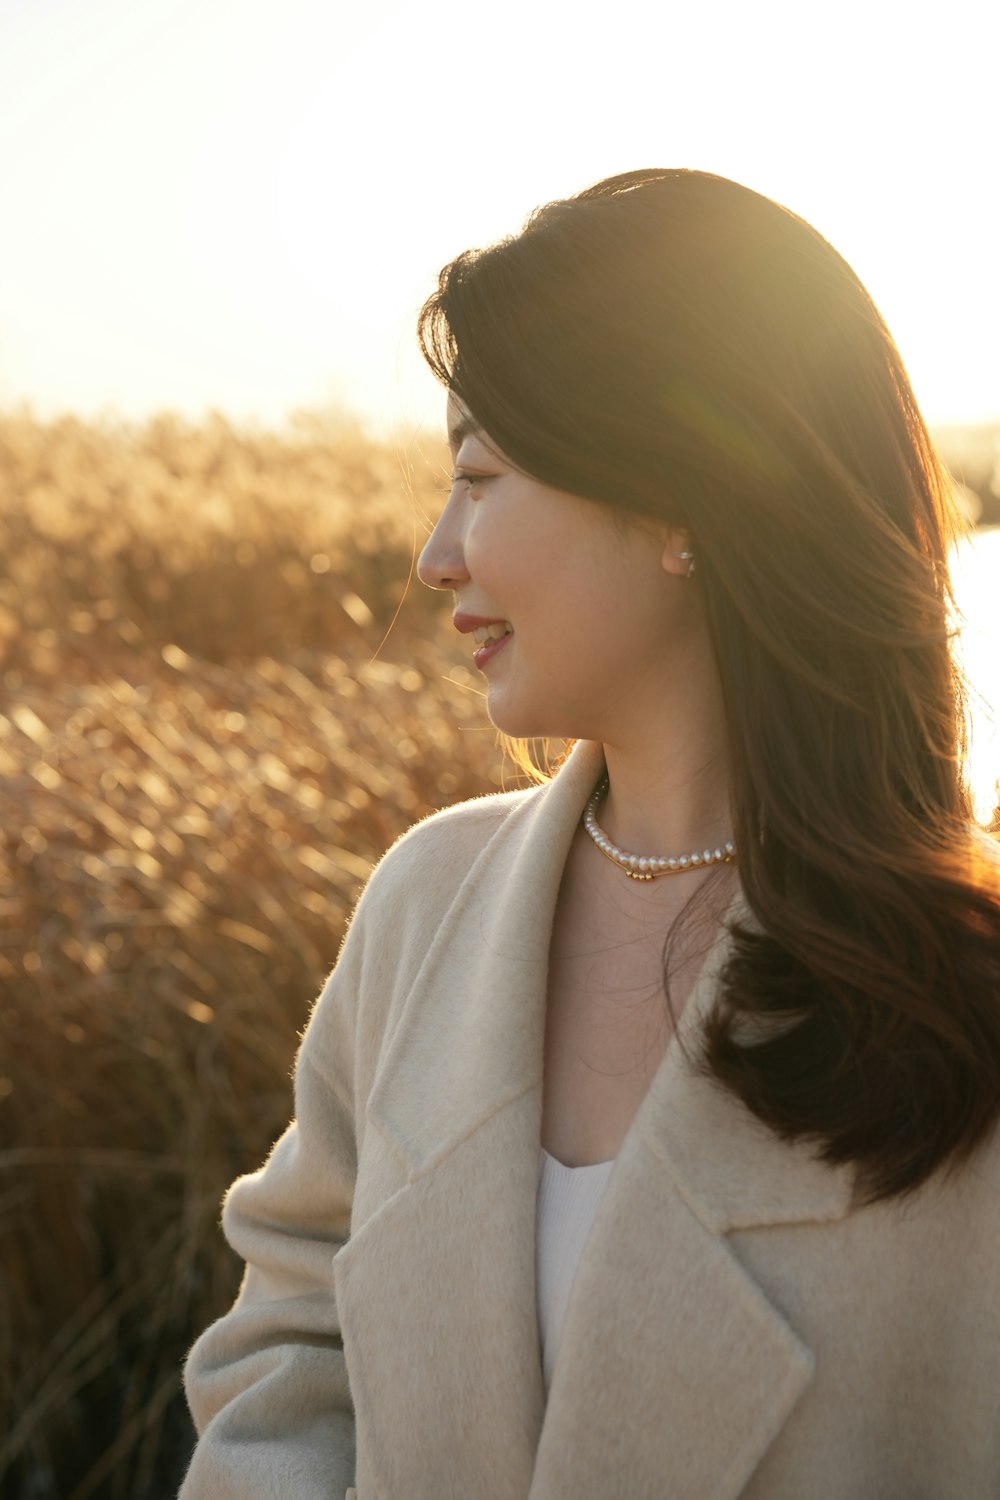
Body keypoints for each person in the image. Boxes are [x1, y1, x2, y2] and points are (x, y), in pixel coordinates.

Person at [179, 169, 1000, 1500]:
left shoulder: (961, 988)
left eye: (482, 475)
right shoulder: (427, 901)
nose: (437, 554)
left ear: (678, 503)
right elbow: (294, 1324)